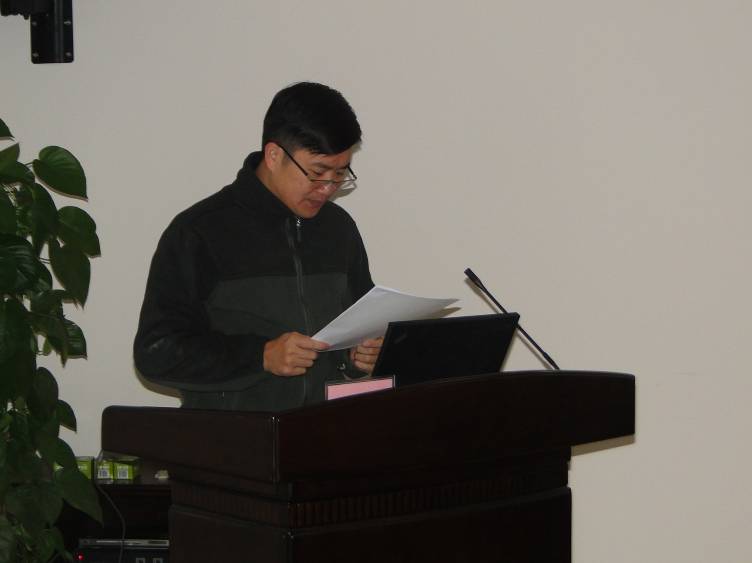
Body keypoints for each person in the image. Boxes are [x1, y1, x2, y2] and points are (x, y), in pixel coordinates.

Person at [133, 82, 382, 411]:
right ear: (274, 155)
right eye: (317, 172)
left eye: (339, 174)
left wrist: (360, 356)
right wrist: (261, 356)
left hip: (322, 432)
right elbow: (156, 352)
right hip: (231, 436)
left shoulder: (339, 229)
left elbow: (357, 328)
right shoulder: (200, 231)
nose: (327, 188)